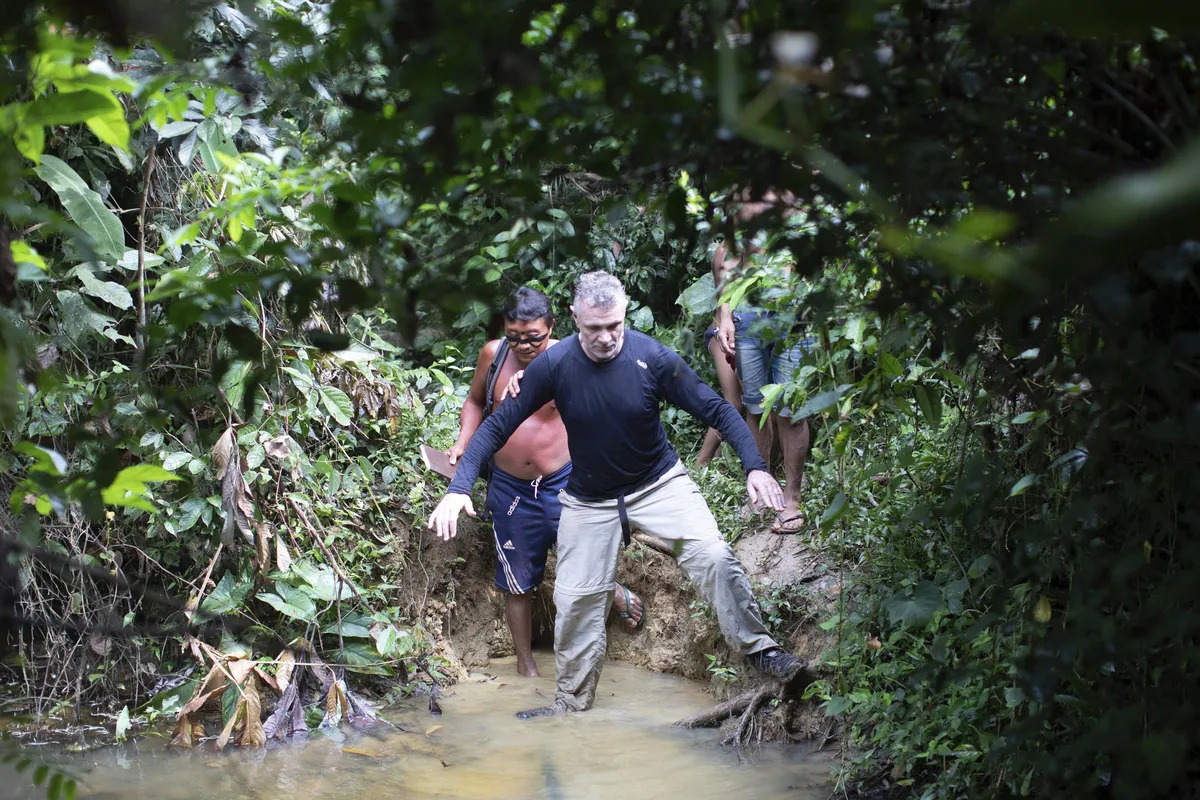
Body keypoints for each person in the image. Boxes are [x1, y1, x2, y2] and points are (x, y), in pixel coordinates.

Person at [429, 272, 804, 719]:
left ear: (624, 316)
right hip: (588, 501)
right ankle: (569, 706)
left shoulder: (653, 356)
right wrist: (457, 489)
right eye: (594, 329)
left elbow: (717, 408)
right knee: (574, 603)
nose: (607, 338)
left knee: (714, 556)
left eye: (615, 326)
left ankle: (761, 651)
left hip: (659, 486)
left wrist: (756, 467)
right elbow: (496, 424)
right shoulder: (555, 365)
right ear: (574, 319)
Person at [445, 287, 644, 678]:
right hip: (510, 485)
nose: (523, 345)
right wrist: (462, 441)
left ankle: (613, 591)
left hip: (565, 479)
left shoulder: (572, 356)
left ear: (551, 327)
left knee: (584, 559)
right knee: (516, 581)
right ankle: (526, 666)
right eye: (515, 336)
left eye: (533, 337)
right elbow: (473, 401)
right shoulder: (493, 355)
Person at [711, 191, 813, 533]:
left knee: (790, 411)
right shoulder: (739, 192)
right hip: (748, 318)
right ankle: (760, 488)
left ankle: (792, 496)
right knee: (755, 409)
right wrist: (725, 317)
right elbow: (728, 257)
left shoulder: (791, 192)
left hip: (792, 316)